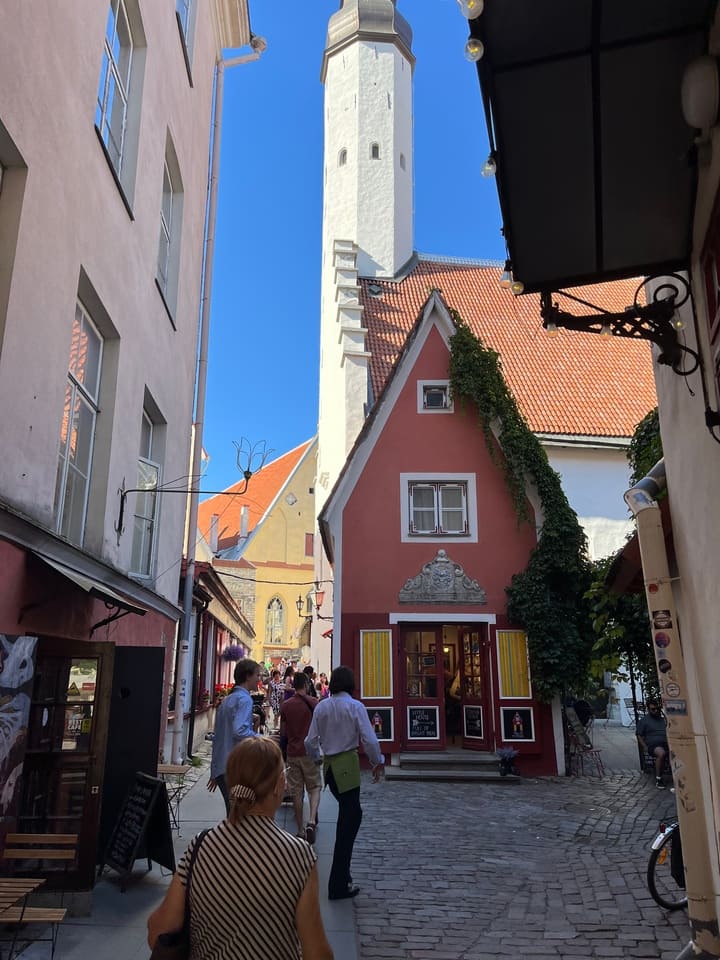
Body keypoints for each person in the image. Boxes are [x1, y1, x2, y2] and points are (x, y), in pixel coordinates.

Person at [148, 738, 334, 960]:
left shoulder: (201, 846)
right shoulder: (298, 855)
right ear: (277, 786)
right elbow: (317, 954)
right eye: (283, 776)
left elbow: (158, 931)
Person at [304, 665, 384, 900]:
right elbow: (369, 739)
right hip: (347, 767)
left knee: (349, 818)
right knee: (348, 823)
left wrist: (319, 758)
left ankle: (342, 878)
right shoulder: (355, 706)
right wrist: (376, 761)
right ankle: (338, 883)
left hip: (330, 768)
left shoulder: (322, 707)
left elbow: (310, 741)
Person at [208, 659, 260, 813]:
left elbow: (218, 737)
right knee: (239, 816)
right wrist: (261, 738)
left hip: (223, 766)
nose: (259, 679)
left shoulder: (227, 700)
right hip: (234, 767)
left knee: (233, 813)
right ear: (248, 676)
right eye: (257, 675)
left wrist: (214, 770)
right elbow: (240, 731)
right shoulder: (244, 699)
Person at [280, 672, 322, 843]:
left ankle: (300, 829)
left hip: (292, 752)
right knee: (314, 787)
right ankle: (311, 820)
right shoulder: (314, 703)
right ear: (306, 685)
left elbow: (283, 733)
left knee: (296, 792)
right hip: (309, 752)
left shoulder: (286, 705)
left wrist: (283, 752)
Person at [637, 699, 669, 788]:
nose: (655, 711)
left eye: (657, 709)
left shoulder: (663, 719)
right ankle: (658, 779)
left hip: (666, 742)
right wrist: (644, 746)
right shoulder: (644, 721)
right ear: (648, 709)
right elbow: (639, 735)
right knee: (661, 753)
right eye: (653, 709)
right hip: (653, 745)